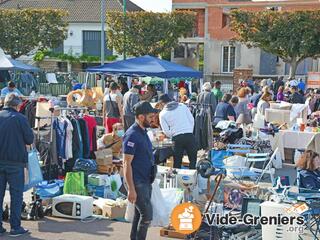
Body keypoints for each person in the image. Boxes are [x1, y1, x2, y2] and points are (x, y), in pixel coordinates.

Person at [123, 101, 158, 240]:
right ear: (141, 117)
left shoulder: (143, 131)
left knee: (139, 215)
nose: (153, 119)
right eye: (150, 116)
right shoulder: (132, 135)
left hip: (145, 179)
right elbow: (126, 164)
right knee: (147, 216)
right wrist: (131, 189)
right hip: (137, 182)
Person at [0, 93, 34, 237]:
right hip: (15, 162)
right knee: (16, 195)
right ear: (16, 105)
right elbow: (29, 139)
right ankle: (15, 227)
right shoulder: (21, 118)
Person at [159, 94, 197, 169]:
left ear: (162, 103)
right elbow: (192, 120)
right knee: (193, 161)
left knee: (177, 162)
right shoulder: (182, 106)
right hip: (189, 135)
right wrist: (189, 130)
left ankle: (177, 180)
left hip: (177, 138)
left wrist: (173, 134)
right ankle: (192, 179)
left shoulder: (162, 114)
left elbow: (166, 131)